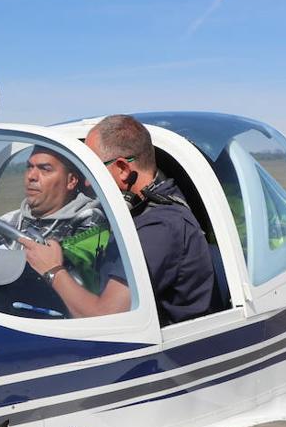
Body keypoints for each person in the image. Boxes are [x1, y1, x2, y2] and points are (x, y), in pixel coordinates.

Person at [20, 115, 214, 324]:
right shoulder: (141, 211)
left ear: (122, 169)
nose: (86, 181)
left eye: (92, 169)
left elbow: (106, 319)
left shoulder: (160, 228)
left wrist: (53, 270)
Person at [0, 148, 104, 243]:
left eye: (45, 169)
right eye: (29, 167)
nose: (31, 176)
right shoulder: (9, 220)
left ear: (71, 181)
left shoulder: (88, 221)